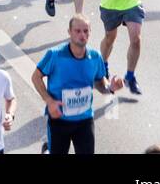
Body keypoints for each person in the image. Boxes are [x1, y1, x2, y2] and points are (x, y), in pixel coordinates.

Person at [31, 14, 123, 155]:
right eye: (78, 31)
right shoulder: (55, 55)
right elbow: (36, 77)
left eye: (86, 31)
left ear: (90, 33)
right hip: (59, 119)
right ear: (69, 32)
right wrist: (49, 101)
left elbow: (100, 82)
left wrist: (110, 87)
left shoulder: (95, 56)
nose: (82, 35)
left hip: (84, 120)